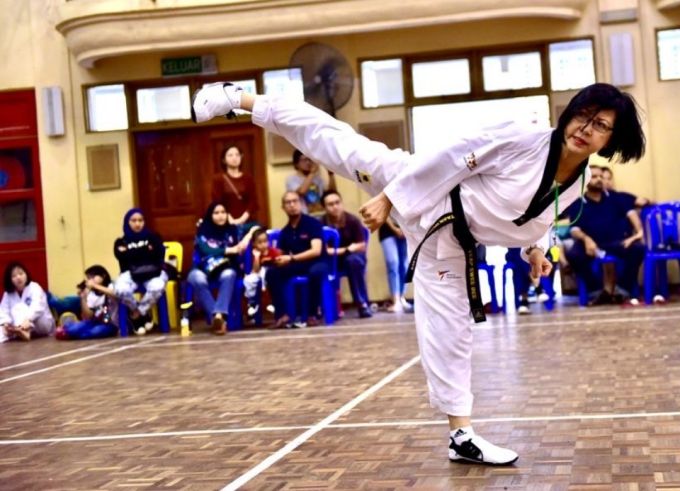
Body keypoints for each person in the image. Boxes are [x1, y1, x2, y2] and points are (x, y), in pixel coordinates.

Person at [191, 81, 645, 465]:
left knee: (451, 334)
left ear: (612, 140)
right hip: (422, 190)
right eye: (584, 116)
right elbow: (449, 157)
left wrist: (535, 251)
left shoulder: (578, 181)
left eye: (602, 125)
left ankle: (460, 437)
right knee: (338, 144)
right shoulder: (523, 137)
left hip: (446, 244)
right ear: (568, 115)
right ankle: (239, 97)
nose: (588, 129)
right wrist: (391, 197)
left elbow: (537, 220)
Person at [563, 165, 645, 306]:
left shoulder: (616, 198)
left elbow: (632, 215)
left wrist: (638, 233)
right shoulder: (578, 203)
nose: (599, 179)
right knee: (574, 255)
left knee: (637, 249)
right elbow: (575, 230)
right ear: (585, 180)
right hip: (591, 245)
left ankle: (622, 289)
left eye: (601, 176)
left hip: (616, 242)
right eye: (594, 177)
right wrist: (587, 239)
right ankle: (596, 290)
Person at [188, 202, 257, 335]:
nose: (220, 216)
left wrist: (247, 238)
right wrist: (230, 250)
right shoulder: (203, 230)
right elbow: (206, 250)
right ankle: (218, 317)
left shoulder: (234, 229)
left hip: (225, 267)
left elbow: (257, 225)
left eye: (223, 212)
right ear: (210, 215)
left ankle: (218, 316)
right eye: (216, 213)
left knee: (229, 274)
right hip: (203, 267)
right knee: (195, 278)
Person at [265, 191, 328, 328]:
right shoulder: (285, 232)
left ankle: (312, 314)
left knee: (315, 272)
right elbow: (281, 254)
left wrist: (291, 258)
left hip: (317, 262)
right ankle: (282, 315)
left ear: (301, 204)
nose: (292, 205)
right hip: (297, 264)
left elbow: (316, 251)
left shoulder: (312, 224)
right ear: (283, 207)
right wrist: (271, 258)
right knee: (272, 273)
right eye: (288, 202)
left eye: (295, 201)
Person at [113, 208, 167, 335]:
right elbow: (122, 256)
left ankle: (136, 314)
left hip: (153, 271)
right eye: (133, 221)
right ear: (127, 222)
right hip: (130, 274)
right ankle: (144, 316)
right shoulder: (120, 241)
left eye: (140, 220)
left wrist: (132, 252)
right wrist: (145, 250)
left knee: (158, 287)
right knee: (120, 289)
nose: (137, 224)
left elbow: (158, 253)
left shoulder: (154, 237)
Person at [321, 190, 372, 319]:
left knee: (353, 261)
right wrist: (347, 249)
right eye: (330, 204)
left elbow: (361, 245)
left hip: (352, 258)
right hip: (332, 260)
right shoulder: (321, 223)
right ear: (325, 207)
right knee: (317, 265)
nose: (335, 206)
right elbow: (324, 250)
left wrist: (348, 251)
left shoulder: (352, 220)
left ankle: (362, 304)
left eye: (337, 202)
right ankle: (323, 309)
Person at [56, 265, 119, 340]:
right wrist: (83, 298)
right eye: (89, 278)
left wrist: (95, 285)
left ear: (103, 275)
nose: (90, 280)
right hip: (94, 322)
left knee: (95, 332)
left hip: (110, 324)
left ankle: (76, 334)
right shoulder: (91, 294)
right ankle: (70, 330)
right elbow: (88, 316)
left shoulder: (111, 286)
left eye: (93, 277)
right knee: (73, 329)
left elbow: (117, 294)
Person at [211, 145, 260, 235]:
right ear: (224, 160)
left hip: (248, 222)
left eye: (237, 155)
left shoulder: (248, 178)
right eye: (230, 155)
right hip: (227, 222)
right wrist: (230, 220)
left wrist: (241, 219)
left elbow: (253, 202)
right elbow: (217, 202)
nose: (234, 158)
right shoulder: (218, 179)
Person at [0, 262, 54, 342]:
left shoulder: (34, 287)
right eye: (14, 276)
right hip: (19, 326)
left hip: (41, 324)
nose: (18, 277)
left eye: (21, 273)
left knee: (19, 307)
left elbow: (37, 306)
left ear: (26, 274)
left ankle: (24, 332)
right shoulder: (8, 294)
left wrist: (28, 320)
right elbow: (4, 311)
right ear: (10, 279)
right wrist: (5, 324)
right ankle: (20, 332)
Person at [243, 228, 283, 319]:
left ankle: (269, 301)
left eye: (265, 241)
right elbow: (255, 270)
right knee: (248, 280)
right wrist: (257, 257)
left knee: (265, 272)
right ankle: (252, 302)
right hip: (257, 273)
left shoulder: (272, 251)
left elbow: (278, 263)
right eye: (259, 242)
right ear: (254, 244)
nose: (263, 245)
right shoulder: (253, 254)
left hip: (270, 275)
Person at [287, 149, 337, 215]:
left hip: (322, 215)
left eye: (310, 159)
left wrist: (331, 175)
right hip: (304, 218)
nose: (308, 162)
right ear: (296, 164)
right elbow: (301, 191)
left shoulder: (318, 178)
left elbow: (331, 194)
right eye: (304, 160)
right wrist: (312, 173)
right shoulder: (292, 180)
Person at [379, 219, 412, 313]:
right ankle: (396, 300)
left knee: (404, 266)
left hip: (406, 229)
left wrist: (405, 228)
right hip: (387, 230)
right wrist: (395, 229)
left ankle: (401, 297)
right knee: (393, 263)